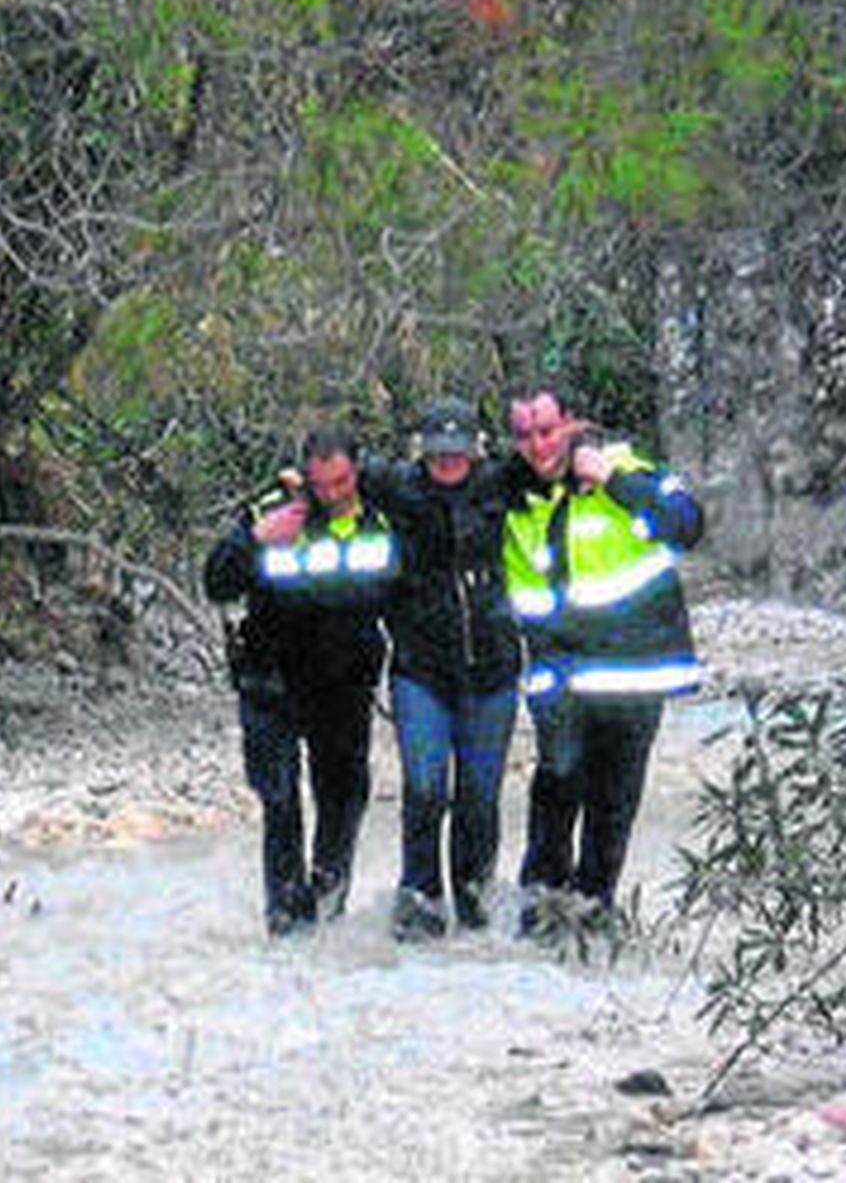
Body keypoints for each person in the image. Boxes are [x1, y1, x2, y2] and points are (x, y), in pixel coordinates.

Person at [501, 385, 704, 932]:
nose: (537, 446)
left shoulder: (624, 469)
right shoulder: (510, 493)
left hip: (636, 672)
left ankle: (595, 909)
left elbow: (686, 525)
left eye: (546, 430)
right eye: (523, 435)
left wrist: (611, 481)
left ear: (571, 423)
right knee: (559, 778)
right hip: (561, 671)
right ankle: (542, 906)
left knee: (614, 799)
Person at [203, 427, 398, 937]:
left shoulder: (382, 516)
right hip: (272, 680)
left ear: (358, 471)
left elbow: (410, 593)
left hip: (344, 686)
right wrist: (254, 540)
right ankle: (286, 920)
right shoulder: (270, 509)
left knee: (342, 798)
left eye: (342, 483)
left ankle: (328, 909)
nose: (332, 494)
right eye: (321, 484)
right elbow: (215, 581)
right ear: (305, 476)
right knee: (280, 798)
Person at [359, 397, 522, 940]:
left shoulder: (503, 482)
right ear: (420, 453)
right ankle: (420, 900)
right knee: (425, 790)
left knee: (479, 796)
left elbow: (557, 462)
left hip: (493, 667)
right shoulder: (395, 486)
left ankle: (475, 905)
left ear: (476, 450)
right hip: (420, 669)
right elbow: (335, 478)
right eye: (437, 454)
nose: (447, 463)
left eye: (458, 453)